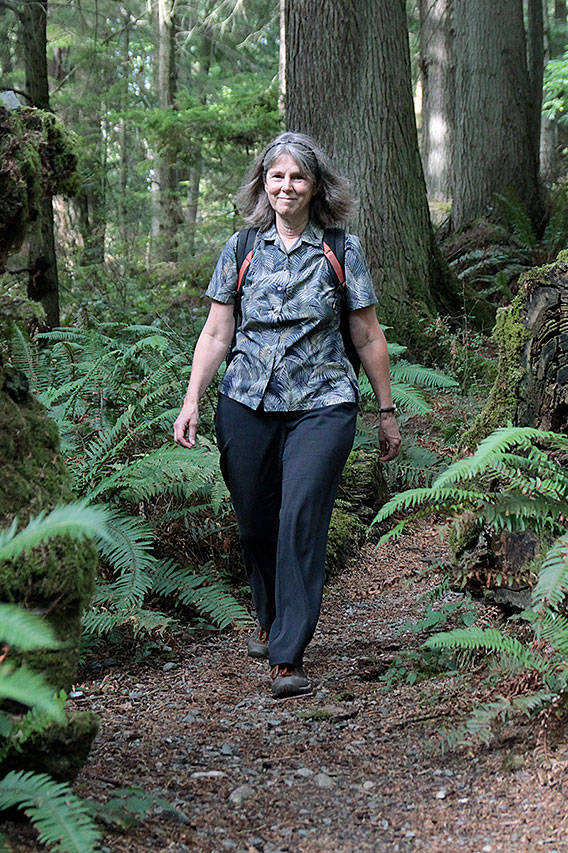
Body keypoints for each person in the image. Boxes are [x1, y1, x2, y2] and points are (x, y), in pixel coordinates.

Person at [173, 131, 401, 700]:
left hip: (323, 403)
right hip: (246, 399)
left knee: (300, 515)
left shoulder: (341, 250)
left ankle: (287, 654)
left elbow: (367, 334)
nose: (287, 186)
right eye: (277, 176)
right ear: (263, 184)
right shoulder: (241, 248)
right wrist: (193, 398)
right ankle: (270, 616)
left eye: (298, 176)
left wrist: (387, 410)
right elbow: (217, 330)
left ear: (316, 186)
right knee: (255, 518)